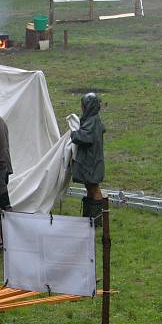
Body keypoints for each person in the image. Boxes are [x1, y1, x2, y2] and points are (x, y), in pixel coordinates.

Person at [71, 92, 105, 225]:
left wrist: (73, 134)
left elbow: (85, 137)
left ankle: (95, 220)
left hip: (92, 162)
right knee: (90, 187)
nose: (81, 107)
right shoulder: (92, 119)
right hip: (91, 161)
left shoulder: (92, 121)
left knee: (94, 187)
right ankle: (89, 219)